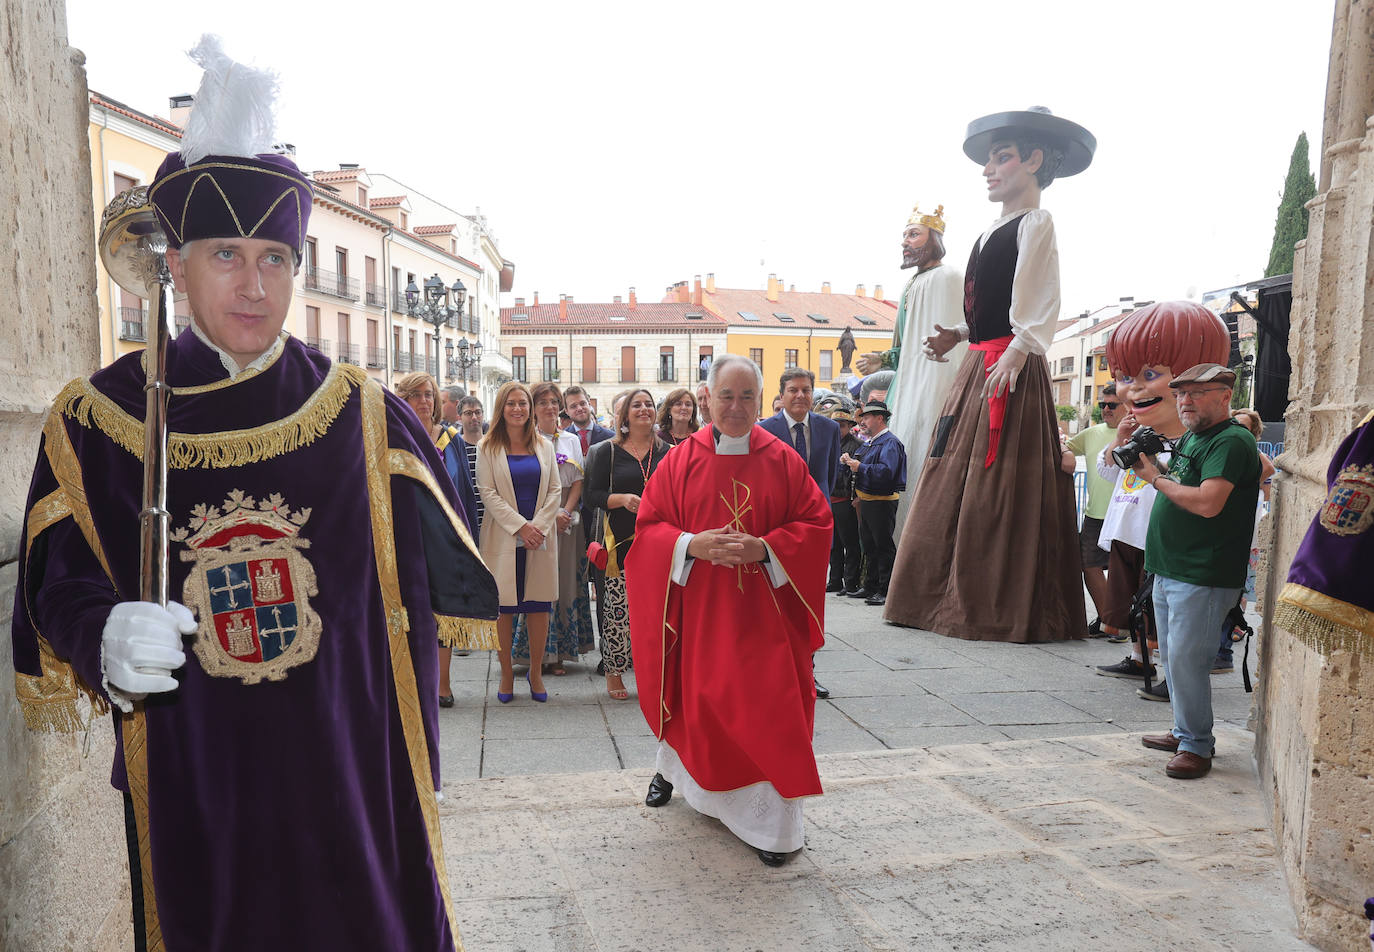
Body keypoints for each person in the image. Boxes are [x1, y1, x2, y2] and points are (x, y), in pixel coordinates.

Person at [8, 37, 496, 951]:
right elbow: (55, 584)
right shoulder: (104, 421)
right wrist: (102, 635)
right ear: (177, 266)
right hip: (200, 776)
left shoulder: (361, 414)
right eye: (226, 253)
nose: (253, 282)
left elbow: (441, 588)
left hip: (349, 773)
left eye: (275, 257)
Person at [885, 106, 1096, 643]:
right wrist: (957, 333)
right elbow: (991, 305)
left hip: (1007, 370)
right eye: (989, 159)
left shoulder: (1035, 222)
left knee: (999, 487)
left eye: (1002, 157)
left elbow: (1039, 299)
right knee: (951, 478)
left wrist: (1019, 353)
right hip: (981, 363)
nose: (988, 169)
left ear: (1034, 159)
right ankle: (940, 599)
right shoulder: (988, 232)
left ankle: (994, 608)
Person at [626, 354, 831, 867]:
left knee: (772, 707)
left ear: (761, 402)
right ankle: (676, 774)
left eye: (746, 397)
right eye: (726, 396)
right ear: (707, 399)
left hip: (765, 618)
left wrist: (765, 549)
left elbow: (817, 523)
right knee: (698, 700)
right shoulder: (680, 460)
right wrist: (691, 545)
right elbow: (649, 531)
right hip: (700, 615)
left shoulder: (783, 459)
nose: (736, 407)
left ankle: (773, 826)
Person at [1092, 302, 1230, 689]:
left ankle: (1173, 675)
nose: (1132, 388)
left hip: (1169, 543)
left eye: (1150, 374)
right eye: (1123, 376)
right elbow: (1107, 472)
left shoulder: (1206, 442)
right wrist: (1120, 443)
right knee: (1130, 601)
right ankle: (1140, 659)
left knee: (1164, 609)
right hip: (1128, 529)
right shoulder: (1137, 435)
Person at [1132, 363, 1260, 779]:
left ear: (1225, 396)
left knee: (1187, 659)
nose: (1185, 401)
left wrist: (1153, 479)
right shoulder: (1194, 436)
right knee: (1173, 656)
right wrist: (1154, 469)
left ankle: (1196, 746)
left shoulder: (1231, 440)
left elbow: (1208, 502)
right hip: (1172, 567)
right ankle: (1184, 730)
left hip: (1202, 571)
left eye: (1196, 394)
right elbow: (1185, 482)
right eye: (1181, 394)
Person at [857, 203, 965, 525]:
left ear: (935, 239)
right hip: (907, 390)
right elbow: (906, 347)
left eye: (914, 234)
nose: (906, 241)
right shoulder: (911, 285)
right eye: (904, 235)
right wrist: (883, 358)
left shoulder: (950, 278)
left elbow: (958, 340)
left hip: (937, 389)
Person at [396, 371, 494, 707]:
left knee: (444, 604)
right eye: (416, 395)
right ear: (403, 398)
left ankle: (443, 685)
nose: (424, 401)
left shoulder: (449, 438)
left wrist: (469, 537)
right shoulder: (394, 434)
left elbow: (464, 490)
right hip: (405, 532)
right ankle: (408, 682)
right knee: (408, 606)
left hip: (444, 533)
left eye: (429, 395)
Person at [476, 382, 562, 704]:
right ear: (502, 408)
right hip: (504, 535)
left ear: (530, 408)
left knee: (539, 607)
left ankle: (536, 672)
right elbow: (488, 493)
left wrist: (536, 527)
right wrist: (520, 527)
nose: (517, 409)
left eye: (523, 403)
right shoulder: (488, 447)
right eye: (511, 403)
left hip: (538, 538)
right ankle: (507, 672)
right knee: (504, 608)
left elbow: (555, 491)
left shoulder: (545, 446)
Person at [583, 389, 669, 700]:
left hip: (660, 543)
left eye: (649, 404)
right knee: (617, 611)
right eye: (637, 405)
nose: (644, 409)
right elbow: (590, 497)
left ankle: (655, 672)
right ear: (625, 415)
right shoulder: (607, 451)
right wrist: (620, 499)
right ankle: (614, 672)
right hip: (620, 542)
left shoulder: (669, 452)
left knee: (658, 614)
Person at [760, 368, 840, 697]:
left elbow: (829, 476)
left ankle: (808, 671)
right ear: (781, 395)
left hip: (814, 527)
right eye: (793, 390)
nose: (800, 396)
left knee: (811, 600)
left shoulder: (829, 428)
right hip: (776, 526)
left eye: (806, 390)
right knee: (775, 600)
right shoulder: (764, 430)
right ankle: (775, 671)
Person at [513, 383, 593, 675]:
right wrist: (546, 517)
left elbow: (578, 482)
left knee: (564, 585)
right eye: (542, 401)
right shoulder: (524, 439)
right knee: (536, 583)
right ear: (533, 408)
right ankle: (534, 654)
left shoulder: (570, 440)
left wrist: (566, 511)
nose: (549, 406)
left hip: (567, 523)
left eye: (553, 401)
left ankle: (560, 652)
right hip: (535, 520)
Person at [1066, 381, 1124, 634]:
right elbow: (1065, 445)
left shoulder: (1142, 432)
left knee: (1126, 573)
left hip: (1125, 515)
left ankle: (1125, 623)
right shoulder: (1092, 433)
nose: (1106, 409)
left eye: (1112, 405)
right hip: (1094, 514)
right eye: (1103, 404)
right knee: (1088, 565)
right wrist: (1064, 452)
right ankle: (1108, 621)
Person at [840, 400, 907, 606]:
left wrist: (859, 467)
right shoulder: (871, 442)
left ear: (880, 418)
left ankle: (885, 590)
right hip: (868, 501)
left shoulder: (890, 442)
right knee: (870, 546)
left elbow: (887, 472)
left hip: (881, 502)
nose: (863, 422)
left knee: (883, 546)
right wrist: (848, 462)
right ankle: (871, 586)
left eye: (867, 417)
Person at [827, 409, 863, 596]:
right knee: (834, 543)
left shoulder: (857, 445)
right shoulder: (828, 443)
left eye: (841, 425)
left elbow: (860, 474)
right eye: (835, 425)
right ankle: (834, 580)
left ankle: (850, 583)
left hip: (846, 500)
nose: (838, 428)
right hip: (830, 499)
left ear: (849, 426)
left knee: (849, 542)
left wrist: (857, 496)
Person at [457, 394, 486, 533]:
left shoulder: (494, 446)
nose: (474, 417)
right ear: (459, 417)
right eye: (468, 413)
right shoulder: (455, 448)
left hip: (492, 522)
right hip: (466, 522)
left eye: (478, 412)